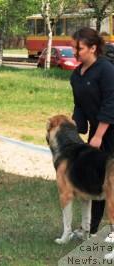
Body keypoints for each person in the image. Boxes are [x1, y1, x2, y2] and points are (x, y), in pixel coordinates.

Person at [70, 27, 114, 236]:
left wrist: (98, 136)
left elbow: (110, 103)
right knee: (97, 181)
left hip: (109, 132)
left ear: (93, 48)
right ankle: (92, 229)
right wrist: (73, 131)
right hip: (96, 133)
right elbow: (79, 106)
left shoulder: (106, 69)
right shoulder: (76, 75)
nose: (75, 52)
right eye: (74, 48)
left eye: (79, 48)